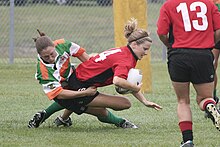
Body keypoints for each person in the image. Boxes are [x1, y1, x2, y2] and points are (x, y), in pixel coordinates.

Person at [28, 18, 162, 129]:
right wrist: (85, 92)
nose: (146, 52)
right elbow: (118, 81)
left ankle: (59, 118)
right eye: (145, 49)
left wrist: (144, 101)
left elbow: (80, 53)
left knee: (83, 103)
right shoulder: (125, 59)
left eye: (52, 54)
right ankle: (121, 122)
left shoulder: (62, 44)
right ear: (133, 44)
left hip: (77, 78)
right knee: (122, 104)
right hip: (77, 85)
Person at [157, 0, 220, 147]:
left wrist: (169, 45)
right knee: (205, 98)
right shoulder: (208, 4)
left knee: (183, 101)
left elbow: (161, 32)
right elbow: (218, 30)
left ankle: (188, 140)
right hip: (203, 54)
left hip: (178, 55)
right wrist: (209, 44)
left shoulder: (169, 4)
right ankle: (211, 106)